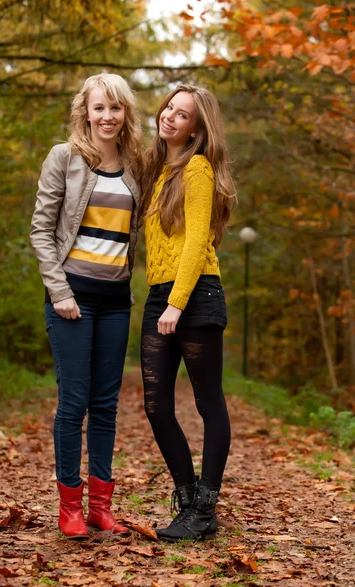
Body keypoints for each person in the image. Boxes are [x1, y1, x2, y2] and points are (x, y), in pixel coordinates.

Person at [30, 74, 142, 539]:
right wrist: (59, 292)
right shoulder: (65, 157)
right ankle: (69, 506)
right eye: (100, 108)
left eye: (116, 108)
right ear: (86, 111)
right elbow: (41, 229)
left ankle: (100, 507)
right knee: (73, 403)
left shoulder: (137, 164)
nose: (107, 117)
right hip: (71, 298)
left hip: (116, 301)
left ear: (126, 113)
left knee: (106, 406)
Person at [139, 84, 237, 542]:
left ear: (196, 128)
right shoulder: (158, 169)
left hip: (195, 295)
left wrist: (177, 302)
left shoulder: (196, 169)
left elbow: (198, 241)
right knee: (156, 406)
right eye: (168, 108)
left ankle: (206, 507)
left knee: (207, 402)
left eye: (182, 115)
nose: (170, 117)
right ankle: (189, 497)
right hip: (161, 295)